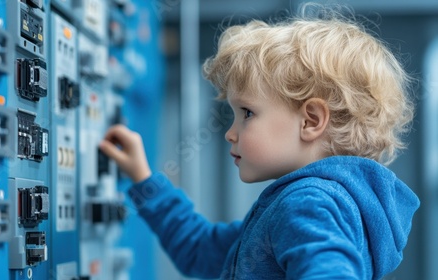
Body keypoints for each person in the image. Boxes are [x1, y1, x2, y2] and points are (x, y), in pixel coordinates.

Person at [99, 5, 420, 279]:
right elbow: (200, 250)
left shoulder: (308, 203)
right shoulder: (313, 205)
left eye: (247, 113)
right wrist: (144, 179)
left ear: (310, 121)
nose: (230, 132)